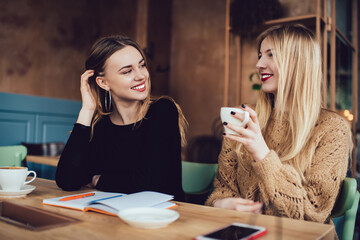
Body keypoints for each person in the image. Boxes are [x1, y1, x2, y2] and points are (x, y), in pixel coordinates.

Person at [206, 24, 353, 223]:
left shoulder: (333, 129)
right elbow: (223, 188)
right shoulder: (244, 117)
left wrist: (262, 153)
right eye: (260, 55)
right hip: (244, 232)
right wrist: (222, 204)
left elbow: (310, 216)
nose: (259, 64)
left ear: (300, 63)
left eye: (271, 55)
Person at [56, 35, 187, 201]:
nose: (141, 75)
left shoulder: (163, 111)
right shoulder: (101, 127)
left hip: (164, 220)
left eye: (142, 65)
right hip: (116, 221)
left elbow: (152, 185)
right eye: (127, 71)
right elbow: (67, 180)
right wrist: (87, 110)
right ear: (103, 83)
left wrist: (99, 179)